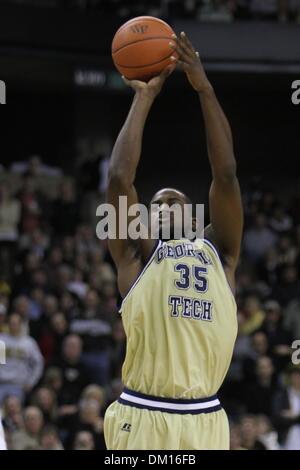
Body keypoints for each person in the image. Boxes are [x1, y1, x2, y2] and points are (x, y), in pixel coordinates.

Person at [104, 32, 243, 450]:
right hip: (143, 413)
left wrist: (204, 88)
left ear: (195, 216)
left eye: (175, 202)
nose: (164, 207)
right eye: (157, 204)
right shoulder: (137, 255)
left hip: (205, 419)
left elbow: (226, 176)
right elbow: (118, 180)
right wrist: (143, 98)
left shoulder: (220, 253)